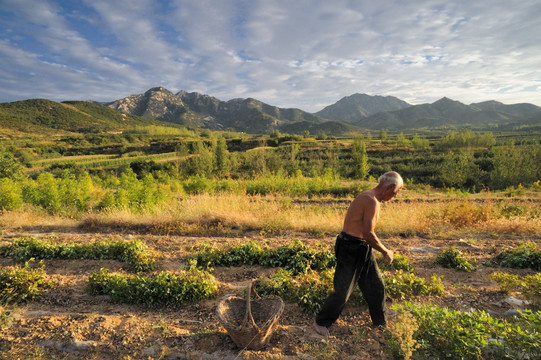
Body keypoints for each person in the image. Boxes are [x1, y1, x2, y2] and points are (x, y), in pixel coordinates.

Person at [313, 171, 404, 337]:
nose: (395, 196)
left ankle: (380, 322)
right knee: (342, 292)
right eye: (396, 192)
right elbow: (368, 234)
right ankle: (321, 321)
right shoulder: (371, 201)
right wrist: (385, 251)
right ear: (390, 187)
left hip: (362, 247)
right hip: (350, 248)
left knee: (376, 287)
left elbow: (366, 237)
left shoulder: (371, 198)